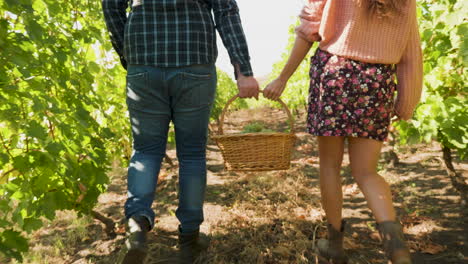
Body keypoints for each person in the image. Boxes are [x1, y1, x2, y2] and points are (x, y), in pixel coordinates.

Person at [264, 0, 422, 263]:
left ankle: (334, 246)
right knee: (367, 172)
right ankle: (398, 252)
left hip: (334, 74)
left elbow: (308, 30)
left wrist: (282, 78)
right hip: (377, 80)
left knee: (329, 165)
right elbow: (411, 49)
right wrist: (407, 100)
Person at [101, 0, 260, 263]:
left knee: (146, 150)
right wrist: (243, 70)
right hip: (194, 60)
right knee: (192, 154)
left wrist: (127, 53)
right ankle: (189, 237)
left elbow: (111, 7)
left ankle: (138, 223)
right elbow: (226, 11)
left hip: (143, 60)